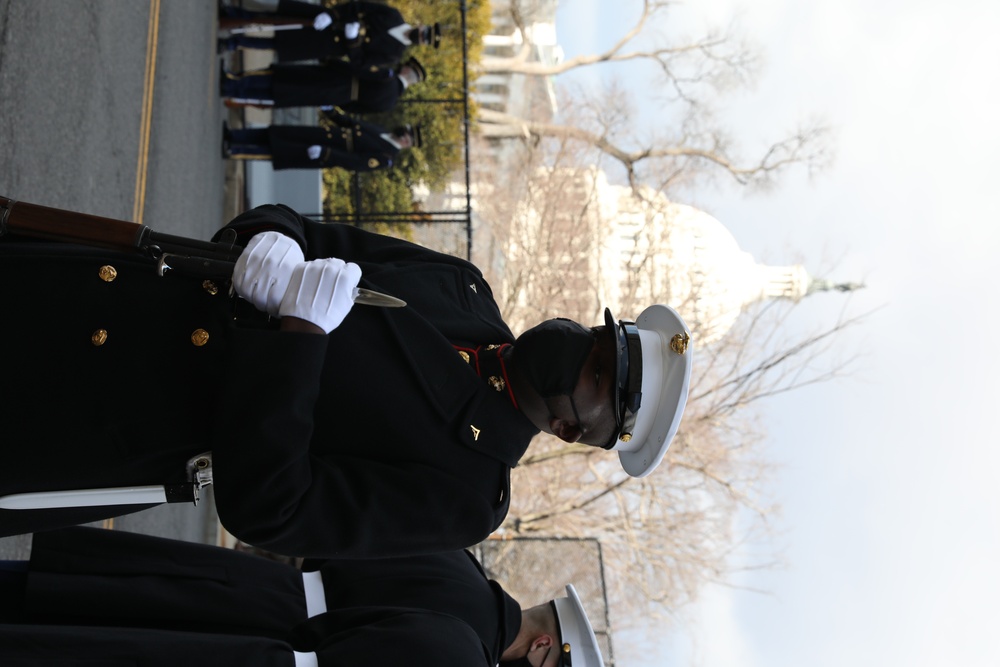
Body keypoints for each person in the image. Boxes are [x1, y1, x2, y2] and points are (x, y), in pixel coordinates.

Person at [0, 201, 692, 557]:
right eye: (597, 335)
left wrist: (298, 340)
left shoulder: (470, 492)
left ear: (573, 429)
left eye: (595, 368)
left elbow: (275, 507)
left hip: (99, 420)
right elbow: (305, 230)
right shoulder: (465, 288)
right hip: (104, 291)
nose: (577, 342)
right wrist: (269, 237)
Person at [0, 526, 604, 666]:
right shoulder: (464, 654)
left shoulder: (458, 556)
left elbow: (332, 546)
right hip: (268, 636)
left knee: (88, 600)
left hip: (261, 585)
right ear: (545, 643)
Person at [219, 0, 442, 72]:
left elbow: (360, 61)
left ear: (422, 44)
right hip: (330, 21)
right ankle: (237, 15)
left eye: (424, 39)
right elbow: (358, 5)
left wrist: (353, 41)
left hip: (330, 44)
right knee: (281, 16)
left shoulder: (394, 55)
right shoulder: (393, 16)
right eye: (424, 32)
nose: (420, 36)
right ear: (422, 26)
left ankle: (234, 42)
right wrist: (333, 14)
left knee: (276, 43)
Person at [220, 56, 425, 113]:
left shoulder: (388, 75)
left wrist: (332, 62)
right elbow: (355, 110)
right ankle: (236, 92)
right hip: (336, 96)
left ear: (406, 71)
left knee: (280, 76)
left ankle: (234, 82)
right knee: (281, 95)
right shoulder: (389, 104)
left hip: (334, 79)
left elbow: (357, 70)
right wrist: (339, 101)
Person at [222, 114, 421, 171]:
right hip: (324, 135)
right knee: (277, 133)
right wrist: (333, 113)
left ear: (407, 143)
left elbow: (355, 162)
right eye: (407, 132)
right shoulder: (383, 132)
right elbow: (355, 124)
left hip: (326, 150)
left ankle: (235, 150)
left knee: (278, 151)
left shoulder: (386, 157)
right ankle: (236, 135)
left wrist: (327, 153)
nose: (404, 136)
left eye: (408, 138)